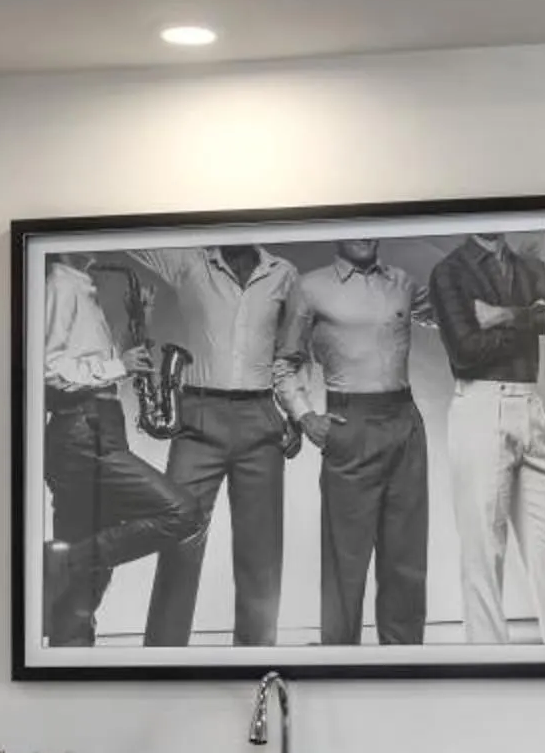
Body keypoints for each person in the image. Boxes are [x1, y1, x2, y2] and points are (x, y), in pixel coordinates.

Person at [118, 244, 305, 646]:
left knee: (261, 554)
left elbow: (291, 353)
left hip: (260, 416)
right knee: (178, 539)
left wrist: (296, 414)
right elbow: (134, 236)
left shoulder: (284, 272)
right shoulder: (188, 262)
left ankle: (255, 662)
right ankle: (163, 660)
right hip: (197, 416)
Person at [38, 255, 199, 647]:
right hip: (84, 430)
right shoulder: (62, 283)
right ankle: (62, 559)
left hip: (98, 424)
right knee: (182, 512)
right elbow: (47, 369)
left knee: (84, 588)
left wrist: (137, 324)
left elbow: (94, 365)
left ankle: (69, 660)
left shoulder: (80, 285)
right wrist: (118, 366)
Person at [280, 239, 433, 645]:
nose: (363, 236)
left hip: (405, 422)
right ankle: (339, 660)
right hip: (351, 423)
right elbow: (285, 361)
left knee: (406, 559)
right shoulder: (310, 286)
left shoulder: (403, 283)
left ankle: (403, 663)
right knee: (345, 561)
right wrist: (305, 416)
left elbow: (449, 316)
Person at [428, 231, 545, 644]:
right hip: (481, 403)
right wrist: (529, 318)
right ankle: (490, 660)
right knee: (482, 551)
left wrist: (502, 315)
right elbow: (465, 351)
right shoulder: (450, 271)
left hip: (531, 403)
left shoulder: (530, 267)